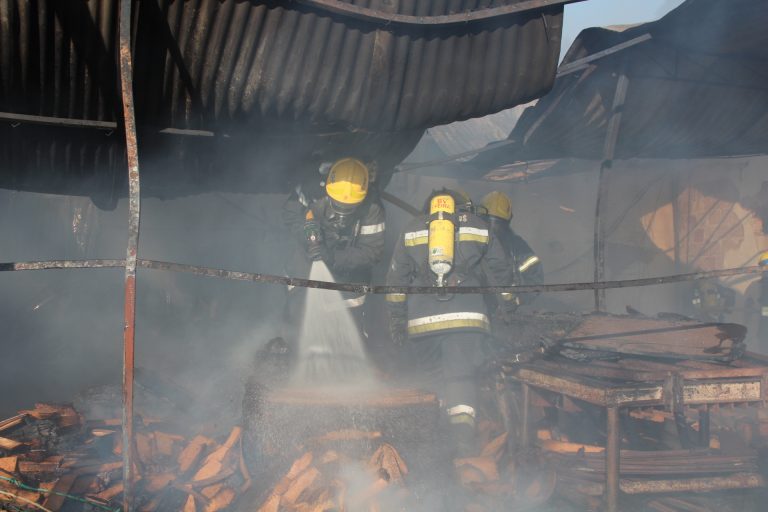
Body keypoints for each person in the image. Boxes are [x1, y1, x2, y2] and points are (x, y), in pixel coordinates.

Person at [385, 189, 516, 457]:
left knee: (433, 379)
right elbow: (500, 270)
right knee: (461, 377)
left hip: (422, 324)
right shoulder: (478, 227)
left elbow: (396, 282)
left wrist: (398, 321)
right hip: (466, 321)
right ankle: (462, 443)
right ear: (463, 208)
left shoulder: (411, 230)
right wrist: (508, 303)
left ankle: (432, 441)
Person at [282, 157, 386, 331]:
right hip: (303, 272)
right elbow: (289, 214)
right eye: (337, 204)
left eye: (349, 207)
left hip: (348, 283)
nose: (342, 212)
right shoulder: (311, 190)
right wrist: (307, 235)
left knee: (345, 329)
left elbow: (372, 252)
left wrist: (333, 257)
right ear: (327, 190)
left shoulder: (372, 208)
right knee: (298, 325)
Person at [480, 191, 543, 305]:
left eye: (498, 224)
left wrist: (519, 301)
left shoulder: (516, 246)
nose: (493, 229)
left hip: (507, 312)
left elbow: (535, 277)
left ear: (507, 223)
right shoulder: (470, 244)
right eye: (488, 222)